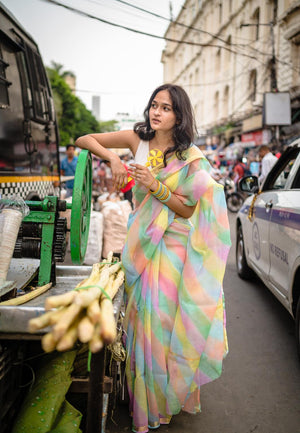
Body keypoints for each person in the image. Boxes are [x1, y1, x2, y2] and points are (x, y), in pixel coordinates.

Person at [75, 84, 231, 433]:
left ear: (179, 115)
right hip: (140, 244)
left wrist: (157, 185)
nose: (156, 113)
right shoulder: (136, 140)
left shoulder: (190, 157)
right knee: (140, 322)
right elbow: (84, 139)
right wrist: (113, 158)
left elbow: (189, 210)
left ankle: (162, 400)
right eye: (154, 106)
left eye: (166, 108)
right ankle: (143, 401)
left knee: (161, 323)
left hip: (173, 247)